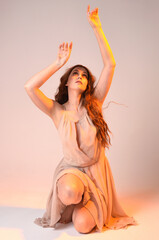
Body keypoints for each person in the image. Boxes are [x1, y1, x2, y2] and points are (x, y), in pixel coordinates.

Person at [24, 5, 136, 234]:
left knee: (84, 227)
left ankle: (82, 206)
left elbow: (110, 65)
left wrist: (97, 27)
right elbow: (30, 87)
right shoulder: (57, 111)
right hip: (71, 171)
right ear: (66, 82)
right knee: (69, 192)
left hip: (96, 174)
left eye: (84, 75)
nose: (80, 77)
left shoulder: (94, 104)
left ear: (87, 85)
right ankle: (72, 196)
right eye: (75, 73)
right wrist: (58, 64)